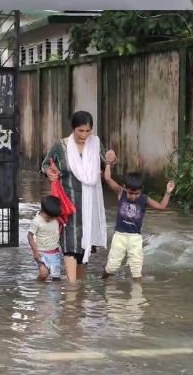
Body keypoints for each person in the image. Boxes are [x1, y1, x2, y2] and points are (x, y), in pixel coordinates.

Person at [41, 111, 116, 281]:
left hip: (89, 204)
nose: (84, 135)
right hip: (68, 203)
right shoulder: (60, 146)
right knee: (69, 243)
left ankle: (78, 294)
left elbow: (107, 162)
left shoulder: (95, 144)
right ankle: (71, 288)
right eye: (80, 131)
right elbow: (45, 163)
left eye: (88, 131)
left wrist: (112, 159)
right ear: (73, 129)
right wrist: (49, 172)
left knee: (83, 245)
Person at [101, 165, 174, 281]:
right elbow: (108, 178)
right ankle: (103, 279)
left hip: (135, 238)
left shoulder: (145, 199)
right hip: (119, 236)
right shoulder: (121, 193)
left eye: (137, 194)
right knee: (112, 267)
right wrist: (109, 164)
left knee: (136, 268)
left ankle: (137, 296)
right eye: (131, 193)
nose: (133, 196)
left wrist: (168, 192)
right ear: (125, 188)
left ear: (141, 190)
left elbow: (161, 206)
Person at [28, 195, 64, 281]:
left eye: (53, 217)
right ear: (43, 211)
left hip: (55, 253)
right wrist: (35, 251)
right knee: (44, 273)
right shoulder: (37, 221)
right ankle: (39, 287)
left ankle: (53, 293)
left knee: (56, 279)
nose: (51, 219)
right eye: (48, 217)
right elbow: (29, 236)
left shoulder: (56, 218)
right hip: (41, 253)